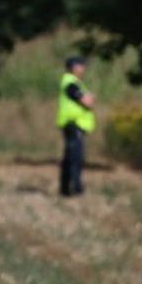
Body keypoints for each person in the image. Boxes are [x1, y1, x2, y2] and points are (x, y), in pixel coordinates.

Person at [56, 56, 96, 196]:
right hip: (74, 124)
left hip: (72, 124)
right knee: (75, 158)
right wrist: (89, 98)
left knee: (70, 157)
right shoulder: (71, 83)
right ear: (74, 67)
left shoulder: (72, 82)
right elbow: (86, 101)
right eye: (81, 65)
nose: (83, 68)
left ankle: (65, 189)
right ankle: (75, 187)